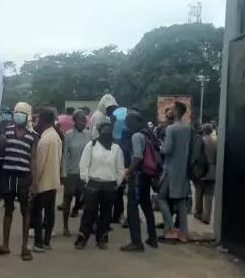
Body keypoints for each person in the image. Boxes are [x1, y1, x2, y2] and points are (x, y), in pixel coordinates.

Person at [0, 102, 38, 260]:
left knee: (26, 211)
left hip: (24, 176)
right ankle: (5, 245)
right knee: (8, 210)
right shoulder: (7, 130)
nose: (18, 116)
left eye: (22, 113)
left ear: (28, 116)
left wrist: (33, 182)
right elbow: (1, 152)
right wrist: (0, 144)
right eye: (16, 113)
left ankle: (24, 248)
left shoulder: (33, 135)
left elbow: (33, 159)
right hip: (8, 174)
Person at [75, 119, 124, 250]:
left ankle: (102, 238)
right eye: (104, 132)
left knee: (106, 213)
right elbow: (84, 165)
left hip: (109, 185)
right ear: (99, 132)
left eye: (109, 132)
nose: (106, 135)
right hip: (93, 184)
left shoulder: (116, 149)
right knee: (89, 212)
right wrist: (85, 180)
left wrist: (116, 183)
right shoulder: (91, 146)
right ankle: (82, 237)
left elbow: (120, 169)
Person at [121, 112, 159, 252]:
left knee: (132, 208)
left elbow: (137, 157)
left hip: (138, 176)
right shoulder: (147, 134)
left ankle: (136, 242)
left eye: (129, 122)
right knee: (147, 207)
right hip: (147, 176)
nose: (127, 125)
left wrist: (128, 171)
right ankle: (152, 238)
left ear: (135, 122)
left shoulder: (137, 136)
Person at [158, 101, 191, 242]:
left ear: (176, 112)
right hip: (182, 169)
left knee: (161, 197)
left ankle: (170, 229)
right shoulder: (187, 128)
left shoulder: (171, 129)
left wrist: (160, 146)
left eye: (171, 109)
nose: (168, 111)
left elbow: (167, 150)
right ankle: (183, 233)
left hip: (170, 170)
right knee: (181, 201)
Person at [31, 108, 62, 252]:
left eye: (38, 119)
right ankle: (47, 241)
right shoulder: (56, 136)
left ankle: (38, 242)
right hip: (53, 180)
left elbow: (40, 163)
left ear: (42, 120)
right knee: (50, 212)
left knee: (37, 212)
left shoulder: (45, 139)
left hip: (43, 181)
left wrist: (34, 182)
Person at [60, 111, 91, 235]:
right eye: (79, 120)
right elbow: (64, 156)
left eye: (84, 121)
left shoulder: (89, 136)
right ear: (74, 121)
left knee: (87, 201)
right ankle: (65, 226)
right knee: (67, 199)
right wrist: (63, 173)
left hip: (85, 173)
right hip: (71, 172)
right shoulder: (68, 135)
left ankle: (86, 227)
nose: (81, 123)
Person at [194, 124, 217, 224]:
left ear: (203, 131)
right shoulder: (216, 142)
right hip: (212, 171)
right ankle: (207, 217)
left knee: (199, 192)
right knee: (209, 195)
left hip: (201, 171)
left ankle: (198, 212)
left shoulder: (200, 141)